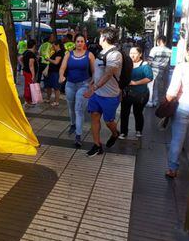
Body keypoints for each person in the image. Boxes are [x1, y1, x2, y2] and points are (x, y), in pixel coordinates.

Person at [165, 41, 189, 178]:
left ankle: (172, 169)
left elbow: (172, 91)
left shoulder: (182, 67)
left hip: (184, 106)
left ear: (188, 52)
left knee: (177, 139)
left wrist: (166, 103)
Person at [84, 27, 122, 157]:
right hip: (97, 94)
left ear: (104, 38)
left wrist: (93, 88)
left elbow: (108, 74)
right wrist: (92, 83)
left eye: (101, 36)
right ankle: (97, 145)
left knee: (108, 121)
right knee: (94, 117)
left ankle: (115, 133)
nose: (99, 38)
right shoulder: (101, 52)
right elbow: (99, 72)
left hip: (109, 95)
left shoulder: (115, 55)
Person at [59, 34, 95, 147]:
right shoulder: (68, 54)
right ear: (75, 43)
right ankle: (73, 125)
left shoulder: (89, 55)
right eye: (78, 41)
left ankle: (78, 136)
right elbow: (62, 68)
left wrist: (92, 83)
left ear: (85, 43)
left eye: (82, 41)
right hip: (69, 84)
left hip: (83, 85)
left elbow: (95, 71)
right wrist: (61, 76)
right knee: (71, 108)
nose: (79, 43)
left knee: (78, 109)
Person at [119, 46, 153, 139]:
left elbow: (149, 78)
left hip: (140, 94)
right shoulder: (126, 64)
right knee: (124, 113)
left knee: (138, 112)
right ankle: (123, 132)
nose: (132, 55)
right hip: (127, 93)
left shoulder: (145, 65)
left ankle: (138, 130)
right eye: (131, 53)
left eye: (135, 53)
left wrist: (135, 83)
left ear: (140, 54)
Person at [147, 35, 172, 107]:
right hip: (162, 70)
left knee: (150, 86)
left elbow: (150, 60)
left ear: (159, 41)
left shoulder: (154, 49)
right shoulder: (169, 51)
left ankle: (150, 101)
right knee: (157, 86)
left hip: (153, 69)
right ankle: (155, 101)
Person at [44, 39, 64, 106]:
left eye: (54, 46)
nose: (53, 47)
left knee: (56, 87)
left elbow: (56, 62)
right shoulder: (55, 53)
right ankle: (48, 98)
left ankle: (56, 101)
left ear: (57, 45)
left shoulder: (60, 53)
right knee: (49, 86)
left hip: (56, 72)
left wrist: (48, 59)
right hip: (51, 72)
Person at [22, 39, 38, 106]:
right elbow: (31, 65)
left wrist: (23, 65)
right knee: (29, 86)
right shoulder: (31, 54)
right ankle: (28, 101)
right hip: (29, 73)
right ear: (34, 45)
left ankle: (27, 100)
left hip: (26, 71)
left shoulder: (25, 52)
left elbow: (20, 58)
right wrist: (33, 75)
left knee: (27, 86)